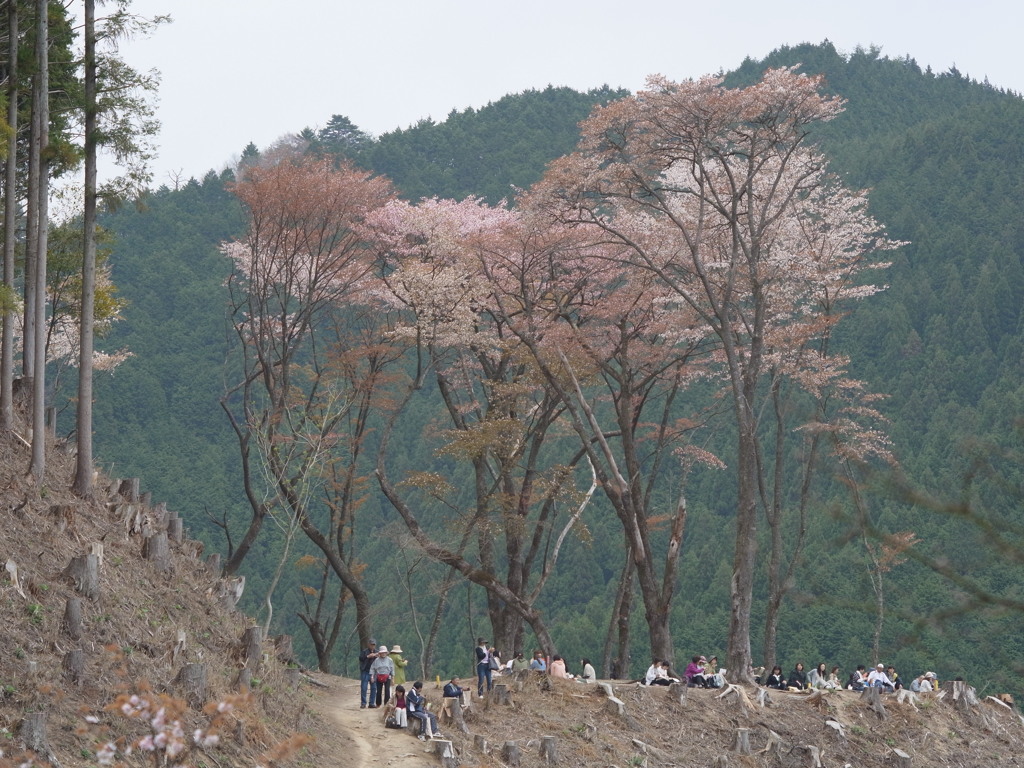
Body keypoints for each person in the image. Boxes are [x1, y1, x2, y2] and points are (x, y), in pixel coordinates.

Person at [359, 637, 379, 708]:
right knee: (364, 687)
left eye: (374, 645)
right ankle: (363, 703)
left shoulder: (377, 652)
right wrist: (368, 656)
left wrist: (377, 656)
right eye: (371, 644)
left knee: (374, 688)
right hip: (365, 671)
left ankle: (371, 703)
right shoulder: (364, 652)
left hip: (373, 672)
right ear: (368, 644)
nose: (372, 646)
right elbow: (360, 658)